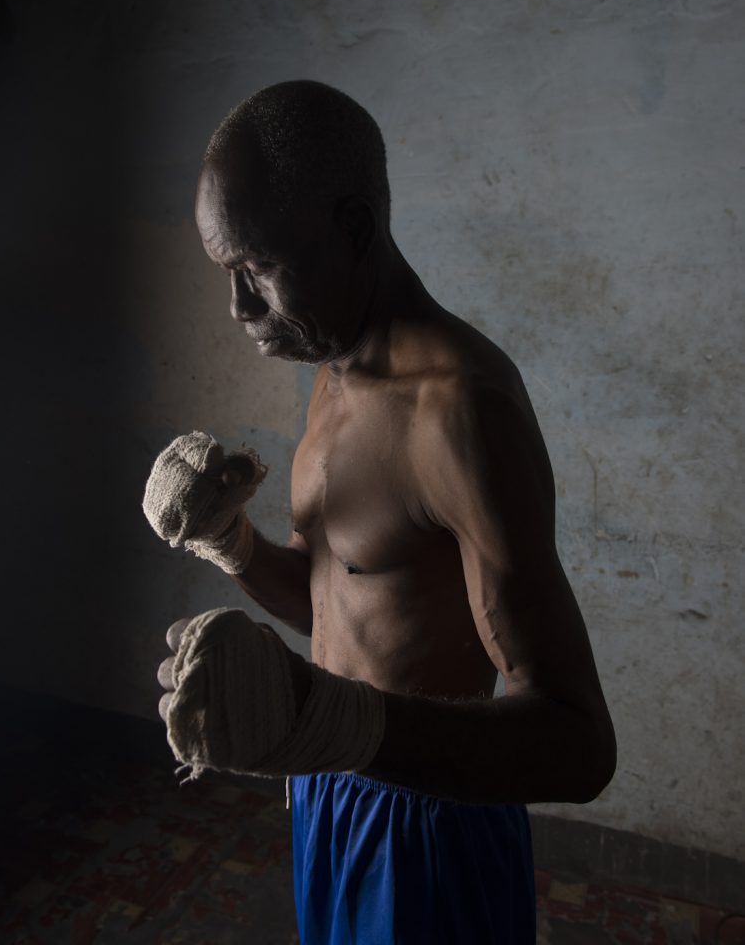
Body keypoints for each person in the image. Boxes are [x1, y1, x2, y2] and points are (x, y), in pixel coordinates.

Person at [143, 80, 616, 944]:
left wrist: (323, 720)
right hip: (328, 790)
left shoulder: (460, 409)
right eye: (226, 273)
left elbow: (578, 745)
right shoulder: (332, 365)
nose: (239, 309)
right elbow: (337, 600)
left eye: (256, 269)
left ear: (353, 231)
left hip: (428, 825)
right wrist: (231, 542)